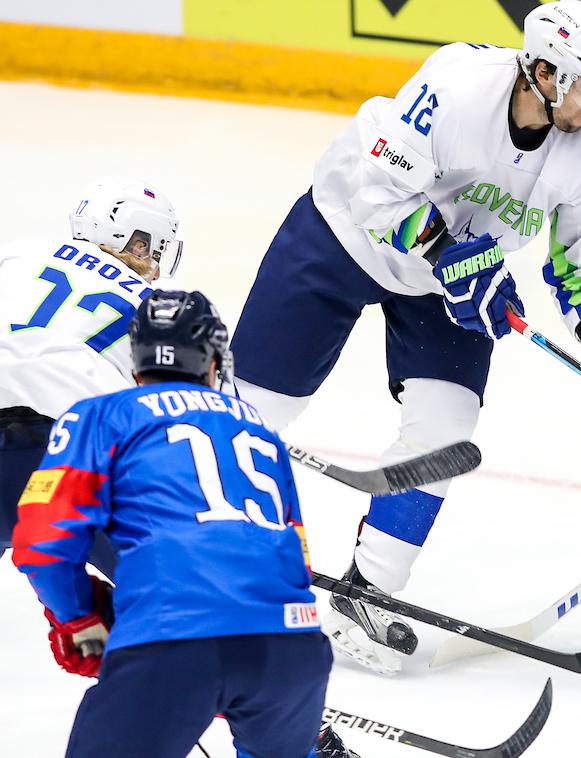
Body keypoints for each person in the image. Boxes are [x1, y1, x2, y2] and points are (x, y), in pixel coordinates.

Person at [229, 0, 581, 673]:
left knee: (448, 429)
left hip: (451, 281)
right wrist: (446, 253)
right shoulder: (458, 87)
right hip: (342, 235)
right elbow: (377, 188)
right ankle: (190, 553)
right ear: (543, 71)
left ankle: (364, 595)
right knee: (251, 411)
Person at [12, 290, 338, 757]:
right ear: (213, 360)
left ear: (136, 359)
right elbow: (298, 559)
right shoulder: (258, 428)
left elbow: (43, 544)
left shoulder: (101, 414)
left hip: (171, 641)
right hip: (292, 649)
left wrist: (79, 619)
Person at [0, 178, 183, 578]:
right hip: (71, 462)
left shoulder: (19, 253)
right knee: (172, 589)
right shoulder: (162, 309)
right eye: (156, 249)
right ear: (139, 241)